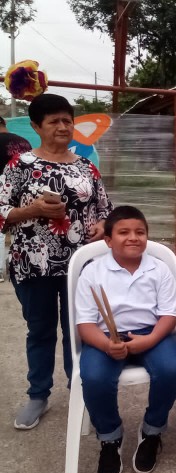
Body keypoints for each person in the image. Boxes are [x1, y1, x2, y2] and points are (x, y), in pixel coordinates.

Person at [0, 94, 113, 430]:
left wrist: (103, 226)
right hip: (33, 263)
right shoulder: (18, 166)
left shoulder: (86, 166)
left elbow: (105, 209)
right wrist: (31, 210)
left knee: (79, 329)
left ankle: (80, 387)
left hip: (81, 265)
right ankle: (38, 394)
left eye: (67, 120)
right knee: (40, 329)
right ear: (36, 126)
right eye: (54, 121)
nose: (63, 127)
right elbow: (2, 211)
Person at [74, 206, 176, 473]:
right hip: (105, 335)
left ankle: (152, 431)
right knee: (94, 377)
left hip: (151, 332)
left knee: (171, 369)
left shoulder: (159, 269)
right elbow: (85, 325)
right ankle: (110, 438)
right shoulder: (93, 272)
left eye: (140, 232)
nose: (133, 237)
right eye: (124, 232)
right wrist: (107, 345)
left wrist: (151, 339)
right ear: (108, 240)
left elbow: (169, 315)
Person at [0, 115, 32, 283]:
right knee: (19, 228)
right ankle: (14, 264)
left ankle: (0, 270)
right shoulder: (23, 141)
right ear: (4, 123)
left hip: (3, 188)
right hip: (24, 189)